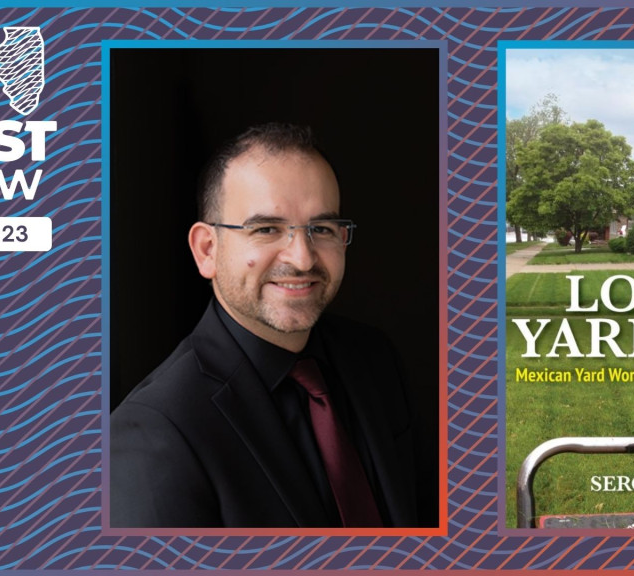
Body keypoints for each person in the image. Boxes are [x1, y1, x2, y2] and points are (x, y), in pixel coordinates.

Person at [110, 123, 419, 528]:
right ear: (208, 250)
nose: (303, 258)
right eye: (267, 229)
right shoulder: (153, 434)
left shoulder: (374, 358)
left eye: (322, 229)